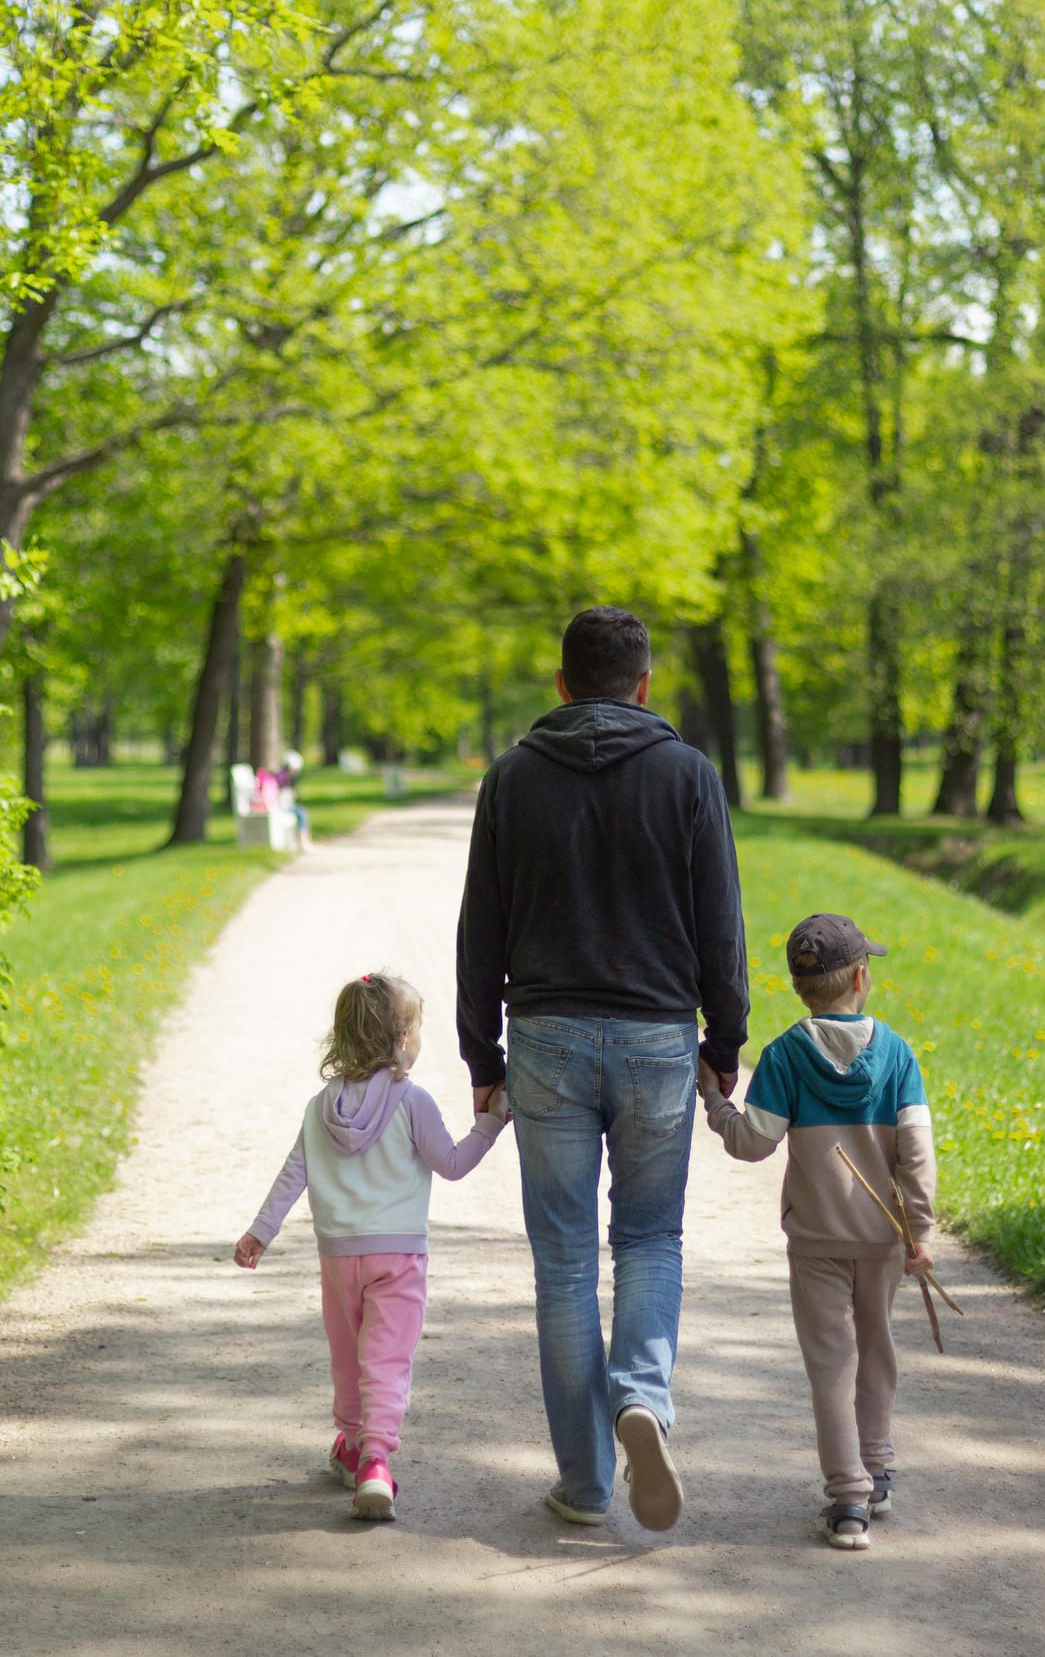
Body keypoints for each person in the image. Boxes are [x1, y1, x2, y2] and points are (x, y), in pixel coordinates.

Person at [456, 605, 748, 1532]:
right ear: (645, 683)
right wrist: (724, 1042)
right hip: (660, 1037)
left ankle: (584, 1482)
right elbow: (721, 926)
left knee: (566, 1261)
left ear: (562, 684)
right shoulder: (689, 776)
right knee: (651, 1239)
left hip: (544, 1037)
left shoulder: (510, 779)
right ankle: (643, 1402)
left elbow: (480, 930)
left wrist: (481, 1054)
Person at [698, 914, 936, 1551]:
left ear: (800, 987)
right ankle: (876, 1467)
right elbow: (916, 1149)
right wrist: (919, 1230)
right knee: (877, 1351)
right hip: (883, 1241)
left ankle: (849, 1500)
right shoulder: (898, 1055)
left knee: (833, 1364)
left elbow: (752, 1143)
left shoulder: (783, 1057)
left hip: (816, 1244)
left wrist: (715, 1104)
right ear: (861, 976)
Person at [237, 973, 508, 1520]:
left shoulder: (319, 1109)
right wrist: (492, 1123)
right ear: (403, 1037)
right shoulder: (414, 1101)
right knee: (385, 1359)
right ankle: (376, 1462)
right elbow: (452, 1165)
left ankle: (352, 1443)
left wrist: (259, 1232)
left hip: (338, 1256)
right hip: (398, 1257)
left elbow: (293, 1175)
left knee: (347, 1354)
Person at [274, 748, 313, 850]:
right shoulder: (282, 778)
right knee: (302, 813)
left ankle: (302, 841)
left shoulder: (285, 777)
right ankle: (304, 841)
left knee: (302, 812)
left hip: (284, 805)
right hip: (281, 806)